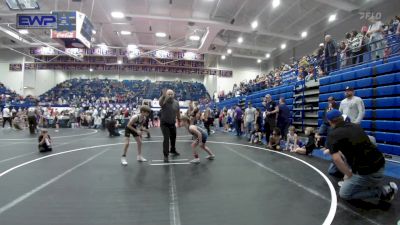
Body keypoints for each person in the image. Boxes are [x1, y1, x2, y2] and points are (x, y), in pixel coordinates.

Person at [326, 109, 398, 201]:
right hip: (381, 164)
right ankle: (366, 183)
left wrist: (348, 174)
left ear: (329, 121)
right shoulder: (356, 126)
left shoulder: (333, 134)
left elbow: (336, 159)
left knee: (344, 194)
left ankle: (383, 191)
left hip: (369, 172)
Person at [159, 89, 181, 163]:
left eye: (171, 94)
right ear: (166, 95)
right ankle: (166, 155)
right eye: (169, 94)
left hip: (172, 123)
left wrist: (179, 120)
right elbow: (160, 103)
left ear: (174, 95)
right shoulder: (164, 101)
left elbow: (178, 112)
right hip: (164, 124)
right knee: (166, 139)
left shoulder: (176, 103)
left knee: (173, 137)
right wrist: (163, 96)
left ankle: (173, 150)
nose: (170, 95)